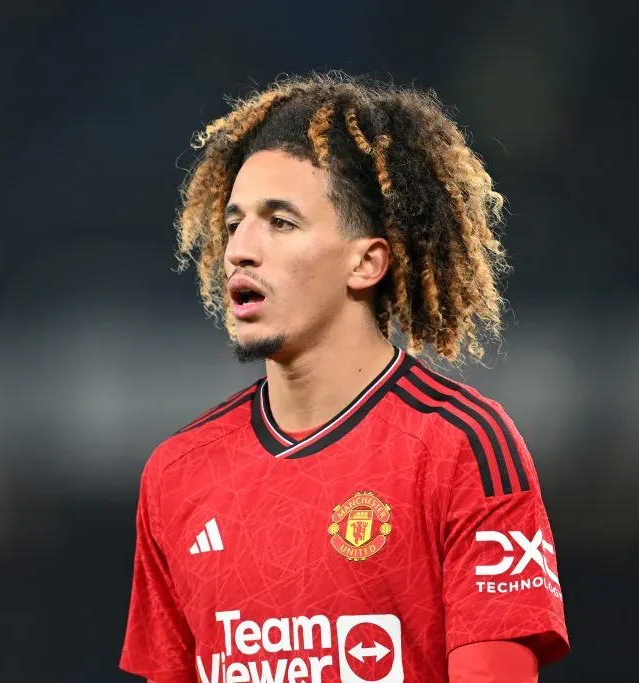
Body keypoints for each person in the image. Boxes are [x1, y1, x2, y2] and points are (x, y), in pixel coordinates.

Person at [120, 72, 569, 683]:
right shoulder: (178, 475)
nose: (239, 250)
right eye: (233, 224)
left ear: (366, 262)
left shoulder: (463, 448)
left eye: (280, 222)